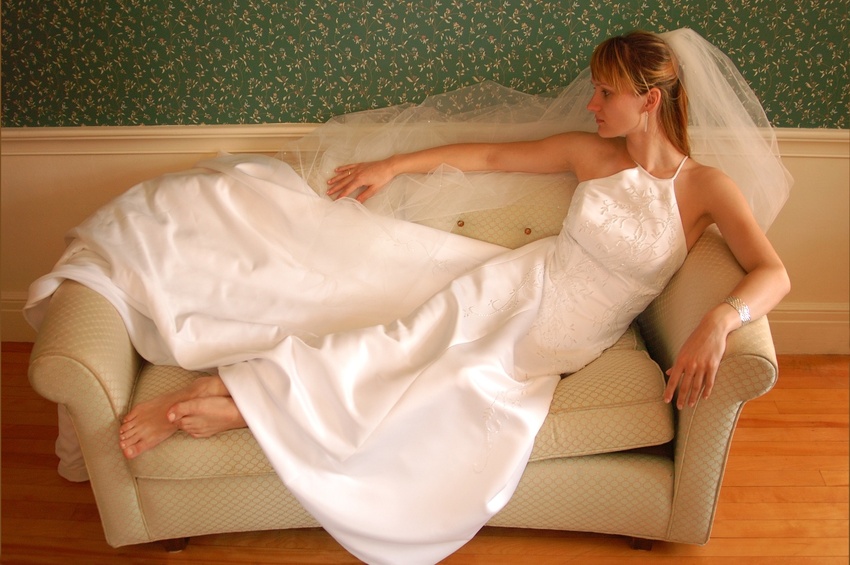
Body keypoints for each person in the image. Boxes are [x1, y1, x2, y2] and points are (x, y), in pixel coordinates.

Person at [28, 28, 790, 565]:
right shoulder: (592, 155)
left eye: (607, 92)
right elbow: (489, 155)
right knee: (395, 341)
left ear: (650, 100)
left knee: (446, 379)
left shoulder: (704, 188)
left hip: (562, 335)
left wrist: (721, 318)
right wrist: (393, 166)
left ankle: (246, 400)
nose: (592, 103)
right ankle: (239, 392)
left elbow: (771, 272)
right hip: (519, 280)